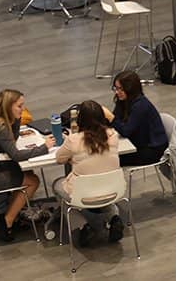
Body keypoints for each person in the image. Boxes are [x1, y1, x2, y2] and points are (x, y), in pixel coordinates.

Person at [0, 89, 54, 241]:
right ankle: (8, 221)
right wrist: (44, 147)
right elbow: (16, 155)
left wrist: (17, 118)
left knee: (29, 174)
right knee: (33, 181)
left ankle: (13, 209)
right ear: (8, 106)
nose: (23, 109)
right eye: (19, 106)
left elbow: (12, 138)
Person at [54, 100, 123, 246]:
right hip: (112, 189)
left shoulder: (73, 140)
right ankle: (114, 218)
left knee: (59, 187)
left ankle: (83, 225)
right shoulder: (113, 135)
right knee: (102, 195)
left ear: (80, 119)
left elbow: (59, 159)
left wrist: (73, 159)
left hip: (84, 192)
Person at [102, 70, 168, 166]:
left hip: (152, 150)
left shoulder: (140, 105)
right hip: (138, 142)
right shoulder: (124, 100)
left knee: (110, 159)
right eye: (115, 88)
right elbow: (117, 121)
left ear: (130, 89)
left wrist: (111, 118)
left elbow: (125, 131)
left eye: (121, 89)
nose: (117, 92)